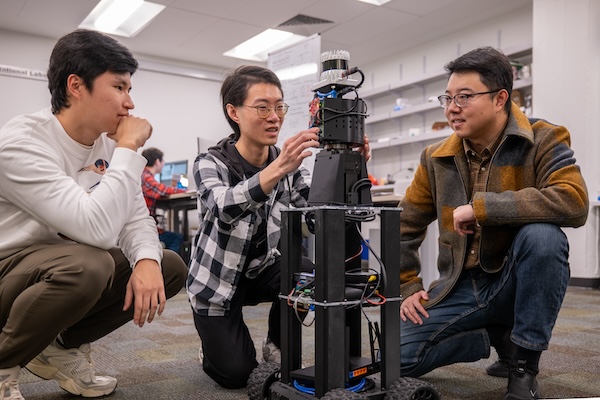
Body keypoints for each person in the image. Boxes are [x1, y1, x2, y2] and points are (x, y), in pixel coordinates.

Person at [0, 29, 187, 399]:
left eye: (130, 89)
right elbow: (97, 230)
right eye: (119, 87)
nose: (129, 103)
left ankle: (60, 349)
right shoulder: (22, 142)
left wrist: (147, 260)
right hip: (9, 272)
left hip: (60, 269)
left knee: (168, 265)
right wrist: (131, 147)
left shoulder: (106, 145)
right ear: (75, 85)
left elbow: (134, 218)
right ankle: (4, 360)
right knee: (90, 264)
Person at [397, 46, 588, 400]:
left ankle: (524, 365)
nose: (451, 108)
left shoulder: (544, 137)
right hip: (460, 284)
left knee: (543, 237)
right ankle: (497, 335)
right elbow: (404, 224)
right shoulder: (435, 157)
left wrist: (482, 209)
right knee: (395, 360)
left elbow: (573, 201)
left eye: (464, 97)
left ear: (501, 98)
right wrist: (407, 286)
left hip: (512, 276)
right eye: (448, 97)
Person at [141, 147, 188, 252]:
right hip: (145, 230)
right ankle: (170, 265)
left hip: (145, 226)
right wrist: (184, 191)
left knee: (172, 234)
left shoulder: (143, 175)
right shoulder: (145, 177)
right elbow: (163, 190)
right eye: (162, 161)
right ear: (157, 162)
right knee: (177, 237)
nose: (163, 163)